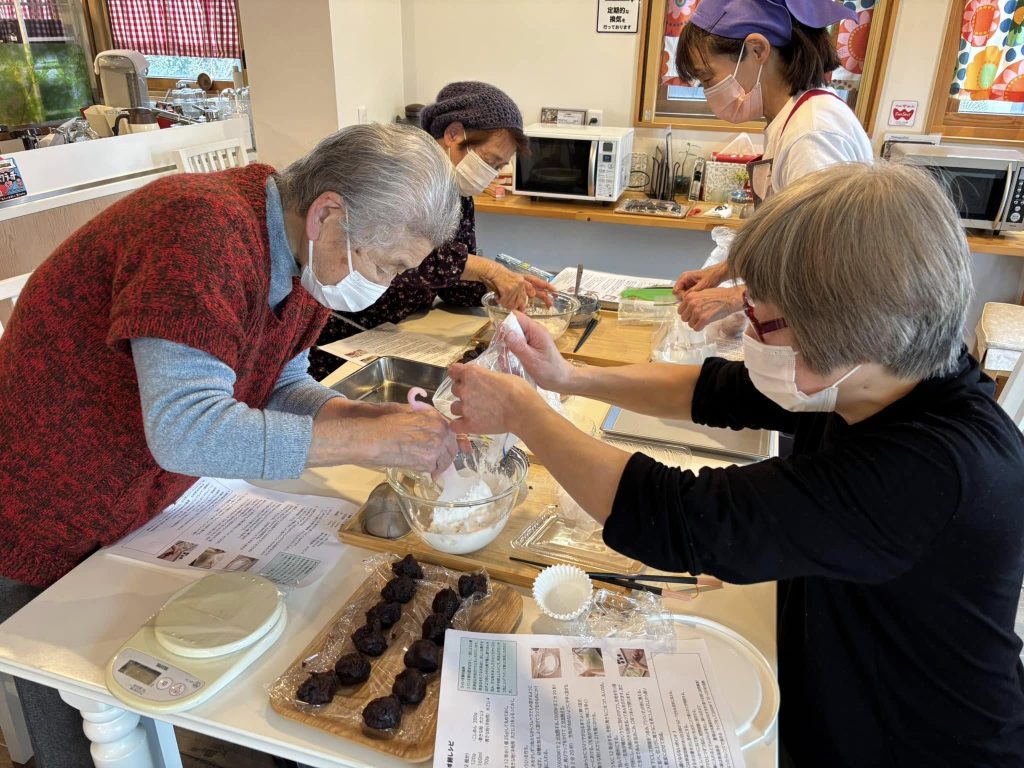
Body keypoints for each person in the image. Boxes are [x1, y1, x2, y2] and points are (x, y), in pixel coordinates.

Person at [448, 163, 1024, 767]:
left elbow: (682, 517)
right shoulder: (887, 377)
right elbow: (716, 390)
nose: (744, 328)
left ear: (853, 333)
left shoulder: (934, 470)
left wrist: (526, 416)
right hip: (840, 698)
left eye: (762, 320)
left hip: (922, 745)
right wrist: (568, 377)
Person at [0, 122, 460, 767]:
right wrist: (361, 438)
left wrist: (357, 418)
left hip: (134, 502)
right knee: (77, 714)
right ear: (329, 213)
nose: (379, 284)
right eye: (384, 265)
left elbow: (277, 383)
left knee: (143, 684)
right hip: (42, 499)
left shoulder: (303, 259)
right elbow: (187, 427)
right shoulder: (198, 230)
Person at [307, 81, 555, 381]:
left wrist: (501, 284)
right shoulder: (398, 174)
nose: (489, 174)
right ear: (453, 134)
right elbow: (408, 261)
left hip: (401, 331)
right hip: (345, 339)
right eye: (489, 161)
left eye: (498, 166)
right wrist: (487, 270)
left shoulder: (458, 193)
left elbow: (451, 284)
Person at [671, 0, 873, 330]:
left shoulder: (813, 133)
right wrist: (725, 269)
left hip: (833, 335)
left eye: (709, 78)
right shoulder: (793, 118)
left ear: (757, 49)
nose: (710, 93)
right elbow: (789, 238)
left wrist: (732, 297)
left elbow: (822, 269)